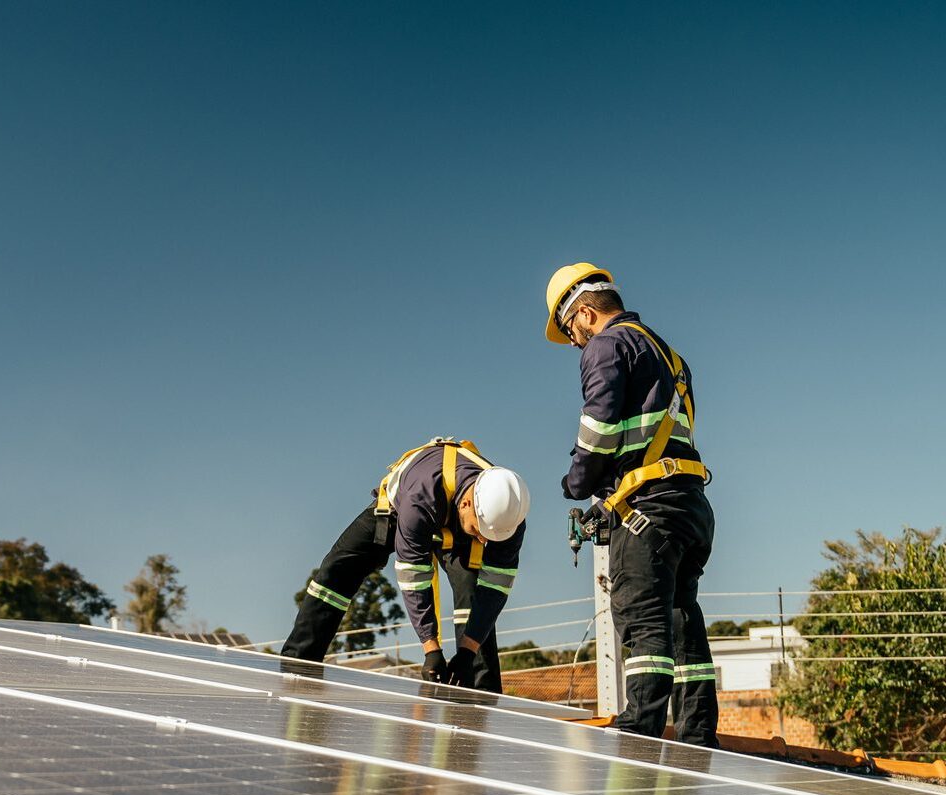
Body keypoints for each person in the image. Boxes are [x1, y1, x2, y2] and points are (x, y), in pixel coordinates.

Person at [545, 262, 719, 746]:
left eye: (569, 330)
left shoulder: (607, 345)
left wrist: (576, 481)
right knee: (683, 620)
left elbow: (599, 432)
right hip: (690, 505)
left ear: (582, 313)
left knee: (643, 627)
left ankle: (638, 742)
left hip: (649, 512)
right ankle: (699, 739)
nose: (574, 342)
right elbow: (648, 437)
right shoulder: (671, 355)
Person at [282, 438, 530, 689]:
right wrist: (430, 649)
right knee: (336, 571)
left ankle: (480, 689)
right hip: (400, 511)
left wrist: (468, 652)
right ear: (467, 504)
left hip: (456, 524)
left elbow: (495, 589)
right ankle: (298, 665)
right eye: (478, 531)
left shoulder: (509, 515)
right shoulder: (420, 497)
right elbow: (414, 576)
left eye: (488, 536)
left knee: (473, 593)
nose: (482, 539)